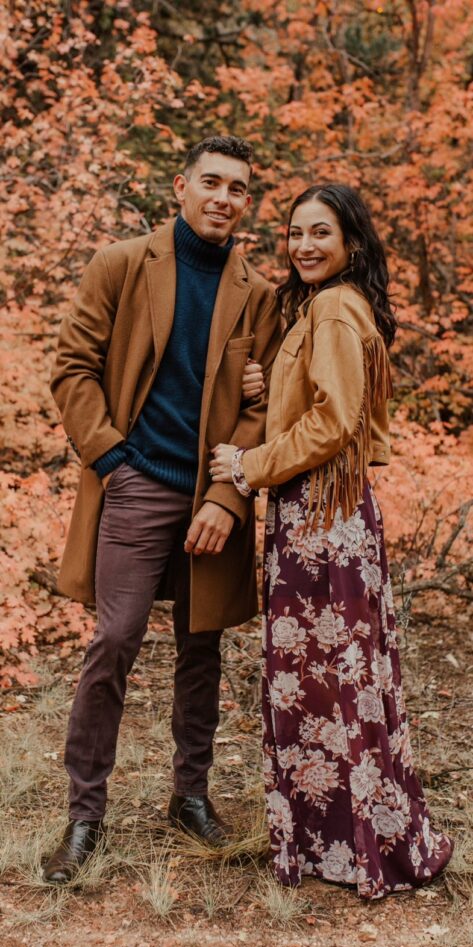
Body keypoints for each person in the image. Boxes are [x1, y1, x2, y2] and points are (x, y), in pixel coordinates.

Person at [44, 135, 281, 884]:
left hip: (213, 490)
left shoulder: (260, 293)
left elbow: (263, 407)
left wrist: (226, 499)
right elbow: (73, 367)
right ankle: (85, 814)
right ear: (181, 187)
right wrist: (110, 458)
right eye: (210, 182)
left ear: (247, 202)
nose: (222, 198)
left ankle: (190, 796)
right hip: (137, 479)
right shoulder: (121, 263)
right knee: (114, 639)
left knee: (201, 645)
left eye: (236, 189)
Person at [211, 183, 453, 900]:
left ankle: (354, 847)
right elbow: (315, 403)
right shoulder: (325, 307)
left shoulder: (334, 307)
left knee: (329, 682)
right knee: (336, 679)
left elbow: (335, 422)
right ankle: (346, 841)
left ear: (351, 241)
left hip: (322, 518)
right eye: (295, 232)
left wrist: (248, 465)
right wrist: (264, 391)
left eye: (321, 232)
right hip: (323, 514)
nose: (304, 245)